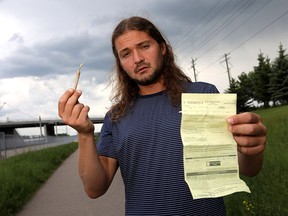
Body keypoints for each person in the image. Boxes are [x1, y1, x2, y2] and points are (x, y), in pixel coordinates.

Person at [58, 16, 267, 215]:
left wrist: (252, 150)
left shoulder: (203, 94)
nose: (138, 59)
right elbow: (95, 189)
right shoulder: (116, 117)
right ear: (120, 63)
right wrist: (85, 134)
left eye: (144, 46)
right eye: (126, 53)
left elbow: (248, 169)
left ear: (163, 48)